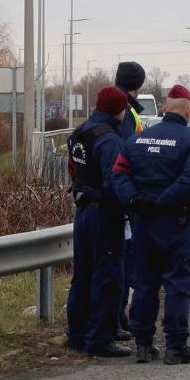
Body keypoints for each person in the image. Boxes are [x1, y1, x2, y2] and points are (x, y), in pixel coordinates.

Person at [112, 84, 190, 364]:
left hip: (142, 222)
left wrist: (134, 201)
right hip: (175, 224)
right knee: (178, 283)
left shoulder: (137, 141)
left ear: (164, 109)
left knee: (144, 283)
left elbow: (117, 174)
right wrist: (164, 202)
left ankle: (143, 345)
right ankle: (175, 347)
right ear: (188, 113)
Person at [66, 87, 132, 357]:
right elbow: (114, 181)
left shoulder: (80, 132)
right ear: (119, 109)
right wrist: (127, 209)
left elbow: (74, 168)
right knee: (108, 274)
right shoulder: (110, 140)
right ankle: (101, 338)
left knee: (82, 274)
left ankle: (78, 334)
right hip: (103, 213)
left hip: (83, 209)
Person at [114, 61, 146, 341]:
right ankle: (118, 317)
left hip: (119, 195)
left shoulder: (122, 107)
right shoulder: (125, 113)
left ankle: (118, 317)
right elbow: (125, 155)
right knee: (122, 262)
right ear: (138, 85)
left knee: (123, 262)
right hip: (122, 198)